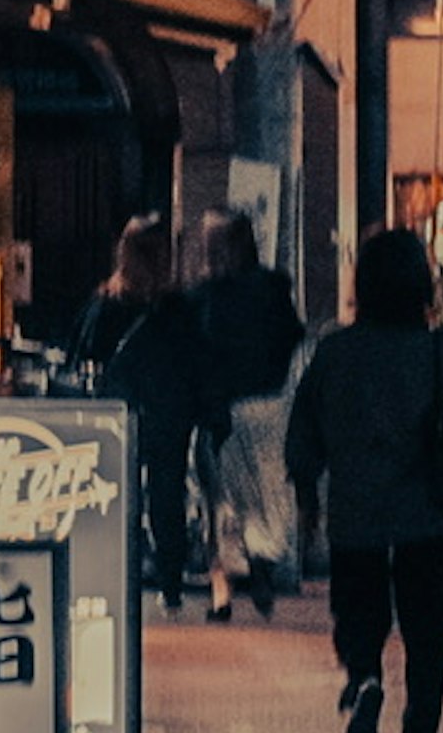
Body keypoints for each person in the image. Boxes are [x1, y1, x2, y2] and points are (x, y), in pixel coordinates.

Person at [285, 222, 443, 733]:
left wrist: (307, 489)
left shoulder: (335, 351)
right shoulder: (439, 349)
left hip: (354, 512)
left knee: (359, 611)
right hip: (422, 510)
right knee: (426, 628)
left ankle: (366, 678)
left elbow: (303, 427)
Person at [78, 211, 207, 607]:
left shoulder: (108, 303)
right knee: (166, 496)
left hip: (122, 411)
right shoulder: (178, 306)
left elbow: (86, 353)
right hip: (169, 411)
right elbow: (195, 360)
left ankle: (119, 573)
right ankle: (169, 581)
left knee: (118, 493)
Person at [188, 206, 303, 618]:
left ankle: (221, 590)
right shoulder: (272, 288)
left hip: (218, 411)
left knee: (216, 501)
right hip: (268, 406)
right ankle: (262, 560)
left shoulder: (201, 297)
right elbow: (293, 335)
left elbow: (190, 352)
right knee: (266, 496)